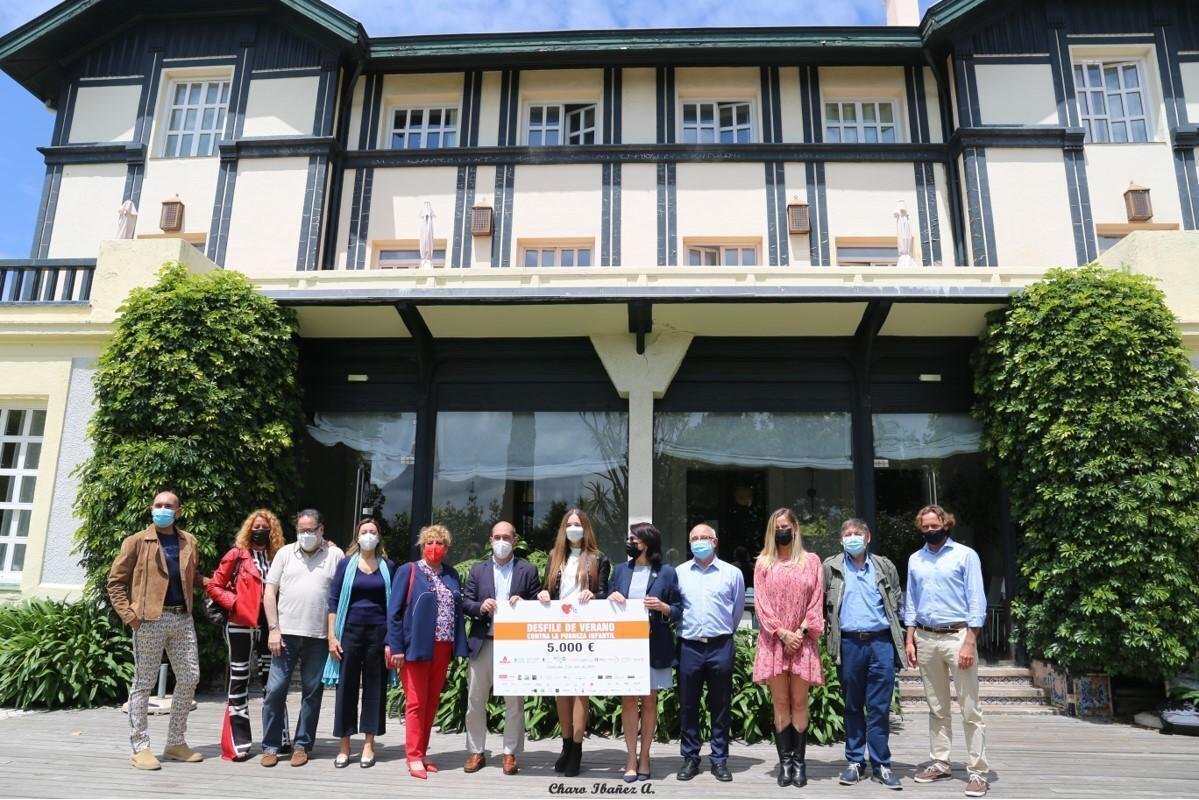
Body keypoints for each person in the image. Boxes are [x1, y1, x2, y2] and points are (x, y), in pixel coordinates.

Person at [107, 491, 203, 770]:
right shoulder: (136, 541)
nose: (163, 509)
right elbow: (115, 582)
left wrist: (215, 584)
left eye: (168, 506)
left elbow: (191, 577)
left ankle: (175, 743)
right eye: (158, 505)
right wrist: (130, 617)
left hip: (182, 619)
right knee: (144, 682)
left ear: (179, 511)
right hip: (148, 620)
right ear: (152, 509)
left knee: (189, 677)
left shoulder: (189, 541)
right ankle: (140, 747)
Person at [904, 505, 989, 798]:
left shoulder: (965, 555)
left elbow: (977, 600)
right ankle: (941, 762)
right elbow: (911, 601)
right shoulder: (915, 559)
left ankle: (977, 771)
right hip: (926, 638)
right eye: (924, 527)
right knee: (936, 706)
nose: (930, 530)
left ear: (946, 524)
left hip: (958, 636)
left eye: (934, 525)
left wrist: (970, 640)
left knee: (969, 707)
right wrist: (909, 638)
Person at [823, 518, 905, 790]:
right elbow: (822, 605)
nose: (852, 537)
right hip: (848, 645)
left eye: (857, 533)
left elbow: (898, 604)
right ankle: (855, 762)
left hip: (881, 644)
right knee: (852, 705)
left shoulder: (884, 566)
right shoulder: (830, 567)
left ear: (868, 538)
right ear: (841, 540)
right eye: (847, 534)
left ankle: (882, 763)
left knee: (880, 707)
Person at [260, 509, 344, 768]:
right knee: (275, 690)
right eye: (301, 530)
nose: (305, 535)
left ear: (321, 530)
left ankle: (302, 745)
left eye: (311, 530)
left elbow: (344, 591)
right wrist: (273, 628)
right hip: (284, 635)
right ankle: (271, 746)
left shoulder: (336, 555)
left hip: (319, 637)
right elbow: (269, 592)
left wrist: (333, 635)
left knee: (312, 692)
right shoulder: (285, 553)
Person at [387, 524, 468, 780]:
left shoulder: (451, 574)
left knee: (431, 702)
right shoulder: (408, 571)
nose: (435, 547)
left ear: (446, 547)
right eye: (430, 542)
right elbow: (394, 612)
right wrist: (396, 646)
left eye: (440, 543)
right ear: (422, 546)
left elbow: (457, 609)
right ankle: (412, 756)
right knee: (416, 702)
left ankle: (422, 752)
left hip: (443, 647)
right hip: (415, 648)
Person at [205, 508, 287, 762]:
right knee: (239, 679)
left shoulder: (279, 557)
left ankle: (277, 739)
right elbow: (213, 585)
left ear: (272, 531)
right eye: (256, 526)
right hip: (240, 623)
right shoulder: (237, 555)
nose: (260, 531)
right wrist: (234, 602)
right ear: (248, 529)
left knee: (272, 681)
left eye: (265, 527)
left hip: (270, 625)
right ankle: (238, 744)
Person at [752, 508, 824, 787]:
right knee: (780, 702)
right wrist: (782, 633)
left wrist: (800, 631)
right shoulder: (763, 563)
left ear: (795, 528)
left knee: (799, 702)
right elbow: (761, 604)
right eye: (777, 526)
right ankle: (785, 763)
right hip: (774, 642)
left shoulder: (812, 561)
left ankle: (800, 763)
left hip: (803, 641)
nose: (782, 530)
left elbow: (816, 601)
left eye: (786, 525)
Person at [462, 521, 542, 775]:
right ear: (490, 540)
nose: (501, 542)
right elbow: (465, 603)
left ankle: (510, 753)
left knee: (515, 703)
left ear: (515, 540)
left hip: (514, 647)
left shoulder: (527, 570)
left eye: (506, 537)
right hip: (483, 643)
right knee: (475, 700)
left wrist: (525, 602)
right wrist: (479, 607)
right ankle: (477, 751)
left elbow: (539, 603)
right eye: (497, 537)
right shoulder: (478, 570)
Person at [537, 508, 611, 777]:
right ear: (563, 529)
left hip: (585, 630)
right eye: (569, 524)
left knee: (581, 690)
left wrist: (595, 595)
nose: (573, 528)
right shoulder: (555, 557)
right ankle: (566, 745)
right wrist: (543, 593)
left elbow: (604, 591)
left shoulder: (598, 558)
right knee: (561, 690)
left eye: (578, 524)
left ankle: (577, 748)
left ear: (586, 527)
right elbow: (547, 589)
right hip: (558, 630)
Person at [607, 522, 682, 782]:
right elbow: (607, 602)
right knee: (628, 700)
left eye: (633, 539)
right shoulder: (619, 570)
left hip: (655, 644)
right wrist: (611, 599)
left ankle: (646, 756)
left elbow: (678, 609)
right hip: (625, 647)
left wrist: (663, 607)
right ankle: (630, 757)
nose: (629, 542)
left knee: (650, 700)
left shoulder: (666, 572)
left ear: (647, 542)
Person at [674, 523, 745, 783]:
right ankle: (690, 758)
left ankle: (719, 759)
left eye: (705, 537)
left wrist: (723, 631)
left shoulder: (732, 573)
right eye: (695, 538)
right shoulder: (679, 572)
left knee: (721, 704)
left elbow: (736, 611)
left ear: (715, 542)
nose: (699, 541)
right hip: (689, 646)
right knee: (689, 705)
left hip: (720, 645)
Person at [325, 517, 396, 768]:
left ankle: (369, 744)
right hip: (349, 632)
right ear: (357, 537)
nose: (368, 535)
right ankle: (344, 745)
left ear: (378, 537)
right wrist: (332, 636)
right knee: (346, 688)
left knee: (375, 689)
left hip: (378, 632)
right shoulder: (346, 564)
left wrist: (392, 640)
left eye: (372, 531)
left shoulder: (388, 566)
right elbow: (333, 601)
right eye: (364, 531)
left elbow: (395, 606)